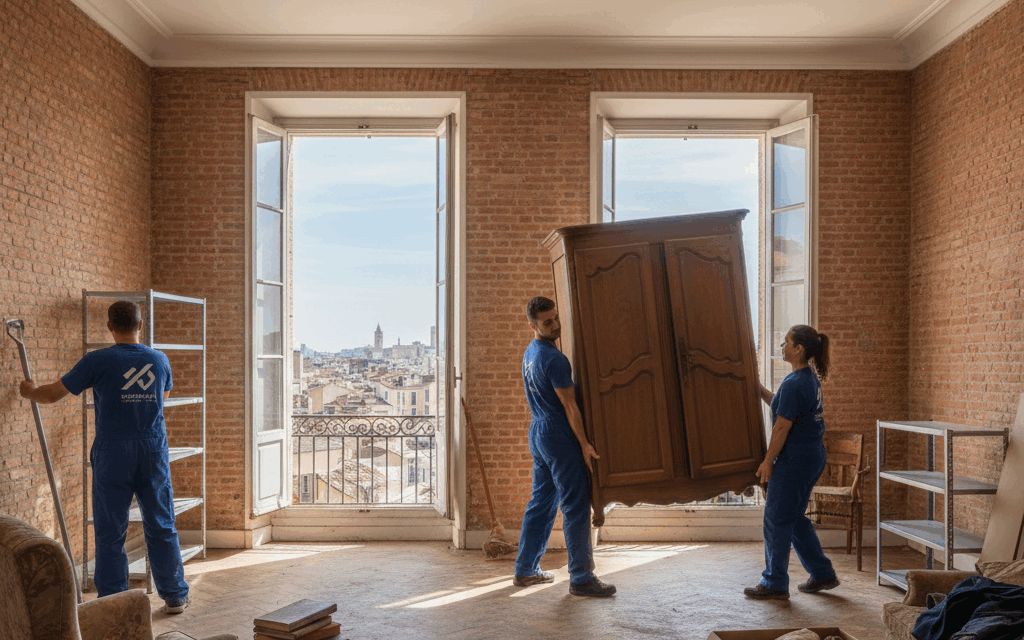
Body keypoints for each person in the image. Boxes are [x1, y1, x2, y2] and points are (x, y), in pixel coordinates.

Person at [19, 300, 190, 613]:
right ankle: (175, 596)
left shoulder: (97, 361)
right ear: (141, 325)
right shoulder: (159, 359)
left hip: (113, 453)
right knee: (162, 524)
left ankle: (114, 603)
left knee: (111, 531)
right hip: (152, 450)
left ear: (110, 326)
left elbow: (53, 394)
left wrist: (29, 390)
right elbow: (163, 397)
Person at [513, 296, 616, 597]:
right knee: (575, 505)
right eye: (548, 323)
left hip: (538, 432)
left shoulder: (530, 353)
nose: (555, 325)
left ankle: (526, 569)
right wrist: (584, 444)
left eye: (556, 318)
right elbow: (570, 407)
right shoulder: (554, 359)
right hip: (557, 434)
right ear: (532, 325)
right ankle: (582, 578)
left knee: (541, 503)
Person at [744, 324, 840, 600]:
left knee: (776, 518)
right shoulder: (805, 378)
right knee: (793, 518)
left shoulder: (797, 382)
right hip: (810, 455)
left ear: (798, 348)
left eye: (785, 342)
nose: (782, 347)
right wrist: (759, 389)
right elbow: (781, 406)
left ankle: (774, 583)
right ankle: (822, 574)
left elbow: (781, 428)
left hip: (795, 459)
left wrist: (767, 461)